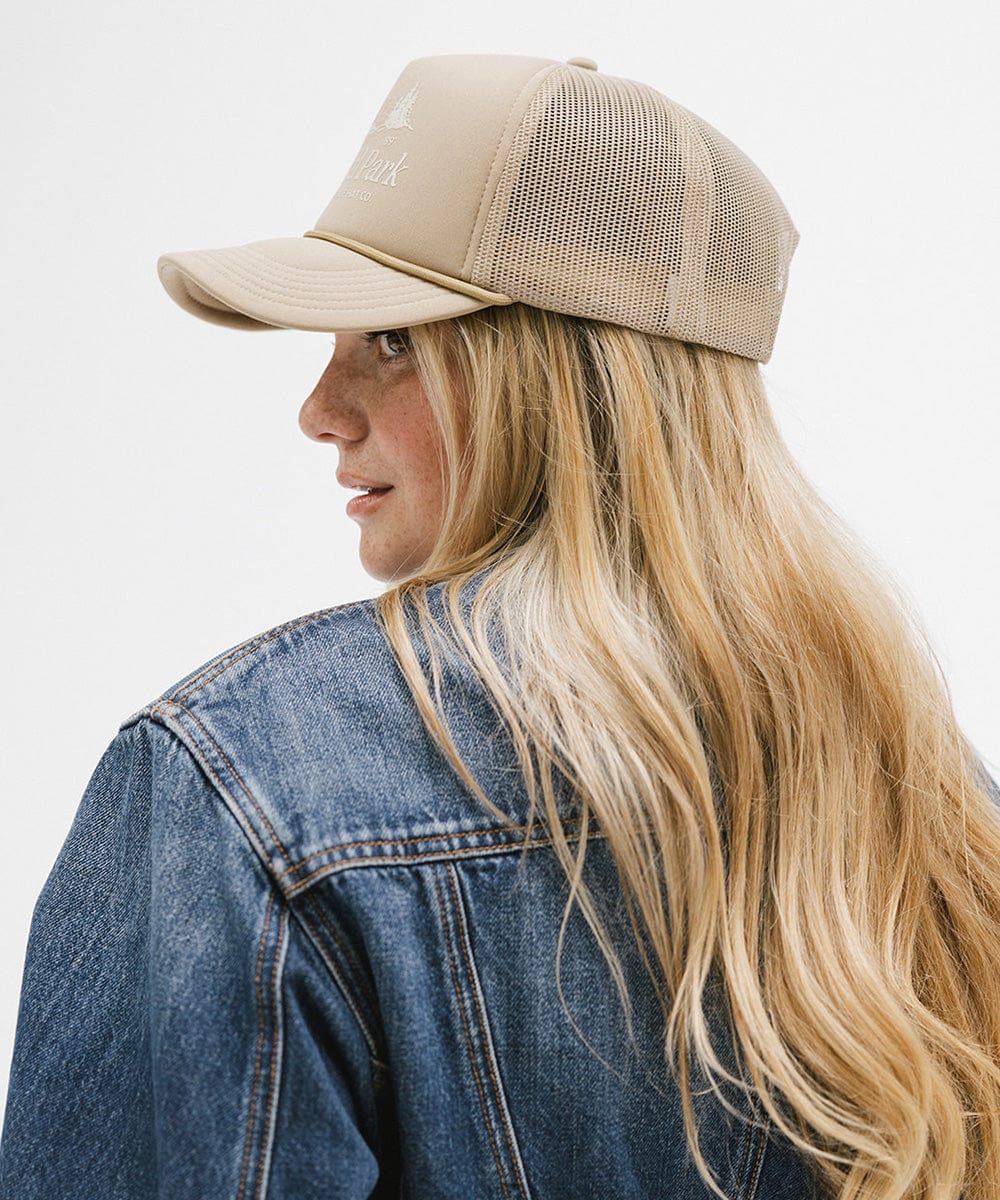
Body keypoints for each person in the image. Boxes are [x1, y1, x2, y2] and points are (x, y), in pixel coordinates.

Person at [1, 51, 998, 1200]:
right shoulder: (924, 793)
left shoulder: (243, 787)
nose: (318, 411)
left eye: (393, 341)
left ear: (557, 380)